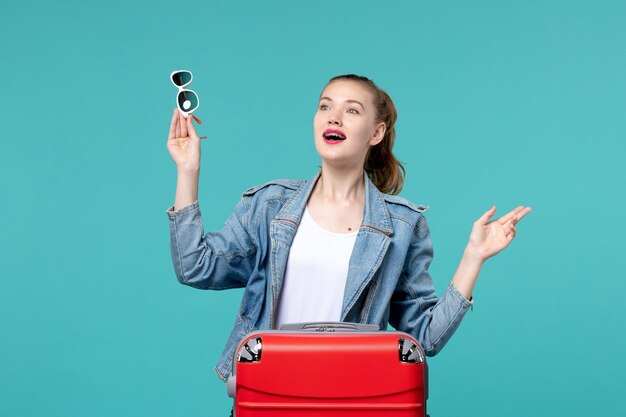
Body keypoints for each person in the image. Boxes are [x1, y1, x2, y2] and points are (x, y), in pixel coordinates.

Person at [165, 74, 531, 388]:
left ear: (376, 132)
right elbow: (195, 266)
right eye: (325, 106)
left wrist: (474, 257)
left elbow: (424, 338)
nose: (333, 117)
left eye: (351, 110)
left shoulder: (403, 226)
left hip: (353, 395)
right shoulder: (269, 205)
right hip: (268, 392)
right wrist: (188, 170)